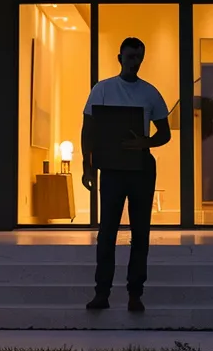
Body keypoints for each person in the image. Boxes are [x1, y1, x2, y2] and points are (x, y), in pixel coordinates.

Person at [81, 36, 172, 312]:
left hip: (141, 167)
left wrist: (145, 143)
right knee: (106, 231)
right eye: (130, 57)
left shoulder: (150, 93)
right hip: (110, 168)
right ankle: (102, 292)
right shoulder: (103, 89)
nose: (135, 62)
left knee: (140, 231)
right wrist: (87, 165)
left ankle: (135, 293)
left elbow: (164, 134)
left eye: (139, 58)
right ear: (120, 58)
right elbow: (88, 130)